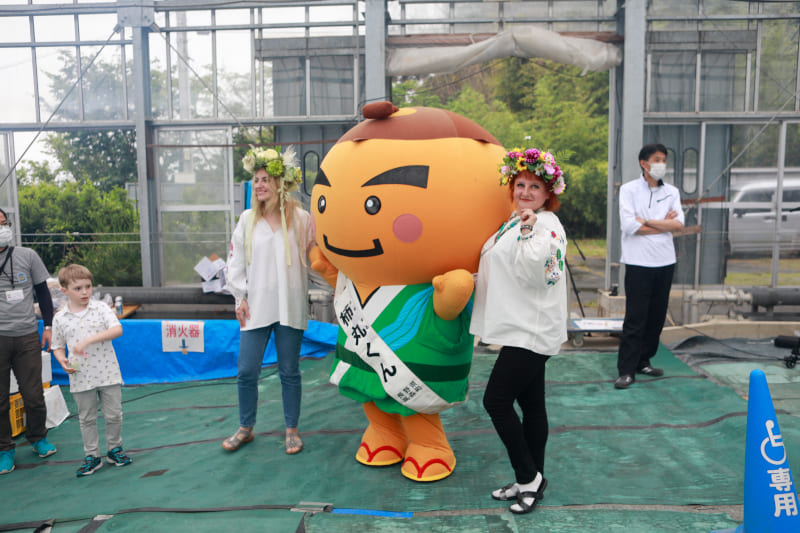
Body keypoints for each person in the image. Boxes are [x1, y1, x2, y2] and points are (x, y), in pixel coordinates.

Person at [470, 148, 568, 514]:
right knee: (531, 405)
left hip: (532, 329)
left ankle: (528, 477)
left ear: (548, 193)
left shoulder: (546, 225)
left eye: (535, 186)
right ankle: (532, 479)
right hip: (519, 325)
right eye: (520, 184)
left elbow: (539, 273)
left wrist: (528, 228)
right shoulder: (515, 221)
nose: (525, 192)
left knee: (495, 401)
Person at [223, 146, 314, 455]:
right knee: (247, 370)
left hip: (290, 306)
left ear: (279, 183)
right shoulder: (247, 220)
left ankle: (291, 429)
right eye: (256, 180)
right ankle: (245, 427)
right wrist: (240, 297)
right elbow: (235, 263)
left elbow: (315, 257)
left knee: (290, 370)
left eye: (265, 180)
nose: (259, 185)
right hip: (256, 306)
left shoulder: (301, 219)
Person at [615, 143, 684, 389]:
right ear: (644, 163)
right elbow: (628, 226)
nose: (661, 164)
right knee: (636, 317)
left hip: (665, 261)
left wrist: (644, 221)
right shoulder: (629, 190)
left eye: (664, 160)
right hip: (638, 262)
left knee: (656, 317)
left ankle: (643, 361)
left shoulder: (672, 192)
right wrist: (662, 224)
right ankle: (626, 370)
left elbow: (679, 225)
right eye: (657, 159)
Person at [51, 264, 130, 476]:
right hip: (81, 376)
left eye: (88, 286)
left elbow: (117, 329)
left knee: (114, 414)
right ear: (64, 290)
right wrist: (62, 361)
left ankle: (115, 449)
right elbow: (57, 346)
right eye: (78, 288)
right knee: (86, 418)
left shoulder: (101, 308)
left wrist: (88, 340)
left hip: (108, 373)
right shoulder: (60, 318)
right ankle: (92, 456)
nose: (84, 292)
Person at [0, 207, 57, 475]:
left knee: (33, 394)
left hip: (26, 336)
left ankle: (38, 437)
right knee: (0, 399)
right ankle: (5, 449)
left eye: (4, 223)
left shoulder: (27, 256)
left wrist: (49, 326)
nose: (2, 229)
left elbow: (43, 293)